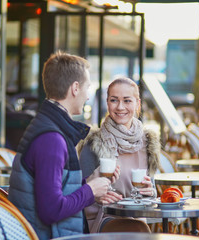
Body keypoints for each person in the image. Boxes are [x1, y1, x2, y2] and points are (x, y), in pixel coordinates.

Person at [8, 51, 119, 240]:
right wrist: (89, 191)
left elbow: (56, 188)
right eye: (87, 88)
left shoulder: (47, 127)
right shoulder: (51, 139)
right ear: (75, 88)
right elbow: (51, 210)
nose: (87, 96)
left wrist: (93, 190)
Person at [78, 77, 160, 233]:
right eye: (114, 100)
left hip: (137, 217)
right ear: (107, 103)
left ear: (138, 104)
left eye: (127, 101)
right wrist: (94, 195)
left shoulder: (148, 143)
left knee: (139, 228)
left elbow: (149, 193)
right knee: (138, 229)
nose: (120, 107)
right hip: (102, 217)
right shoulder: (94, 143)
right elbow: (76, 189)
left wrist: (150, 193)